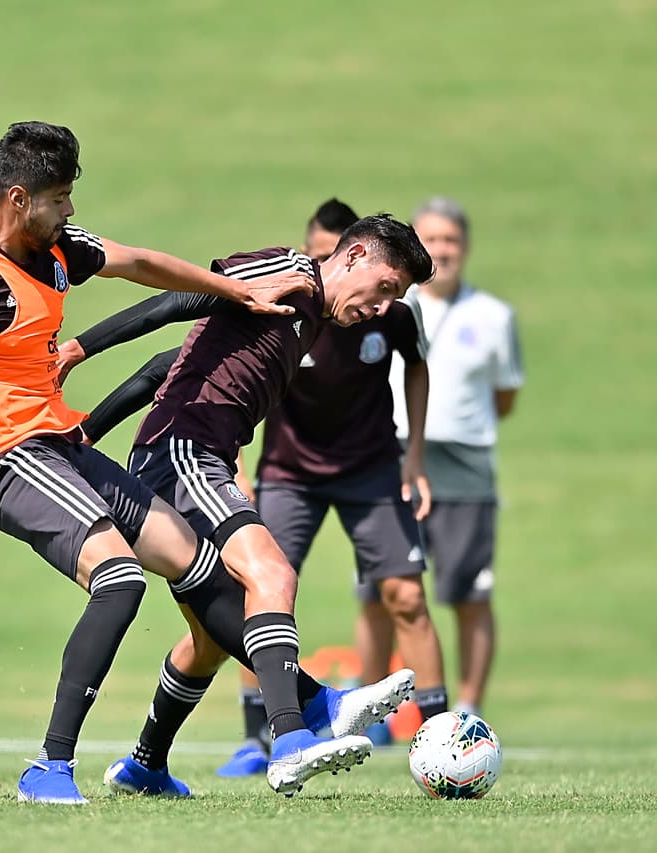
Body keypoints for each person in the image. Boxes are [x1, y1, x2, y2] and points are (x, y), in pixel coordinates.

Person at [0, 121, 382, 805]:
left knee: (194, 560)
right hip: (2, 457)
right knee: (119, 577)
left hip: (59, 445)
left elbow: (138, 261)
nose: (71, 211)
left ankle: (307, 704)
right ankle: (49, 767)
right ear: (18, 199)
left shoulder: (55, 249)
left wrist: (234, 292)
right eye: (60, 197)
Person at [59, 214, 434, 797]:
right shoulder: (289, 272)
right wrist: (79, 349)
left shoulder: (309, 321)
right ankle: (292, 736)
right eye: (386, 287)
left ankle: (144, 767)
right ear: (355, 255)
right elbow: (177, 301)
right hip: (182, 452)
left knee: (211, 639)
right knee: (272, 572)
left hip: (183, 454)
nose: (384, 307)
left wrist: (89, 431)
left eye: (397, 299)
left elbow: (170, 365)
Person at [205, 199, 448, 776]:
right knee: (260, 586)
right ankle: (255, 735)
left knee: (408, 597)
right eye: (314, 252)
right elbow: (228, 378)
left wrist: (414, 457)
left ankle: (441, 733)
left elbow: (417, 366)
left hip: (371, 468)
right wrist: (235, 466)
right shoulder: (287, 304)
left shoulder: (386, 312)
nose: (317, 266)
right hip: (289, 473)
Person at [357, 197, 523, 719]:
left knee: (469, 591)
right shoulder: (384, 303)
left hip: (465, 461)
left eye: (451, 239)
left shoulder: (494, 316)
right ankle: (372, 707)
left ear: (465, 246)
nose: (443, 250)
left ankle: (468, 708)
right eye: (432, 239)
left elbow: (505, 397)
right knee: (381, 588)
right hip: (390, 451)